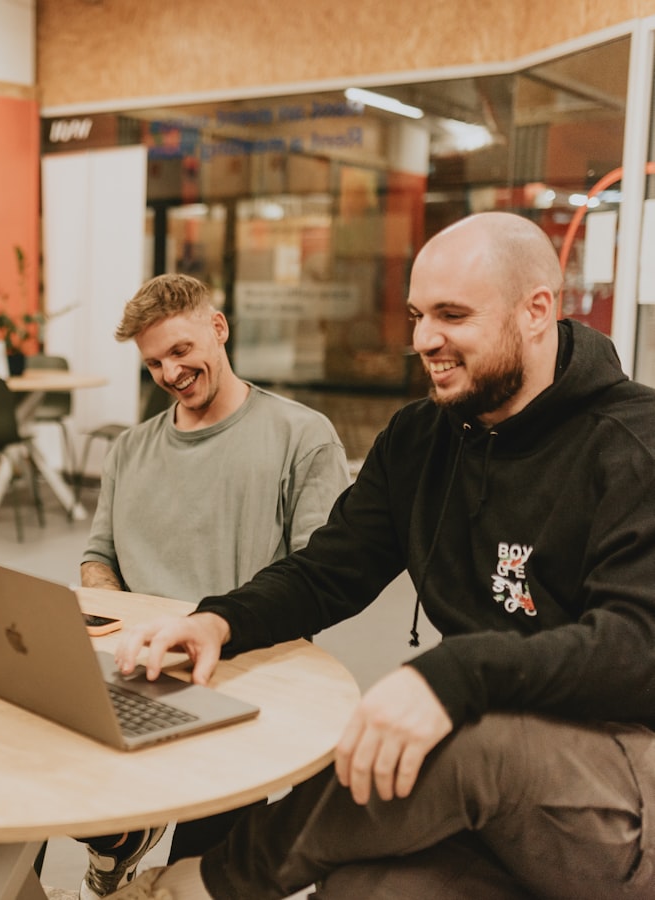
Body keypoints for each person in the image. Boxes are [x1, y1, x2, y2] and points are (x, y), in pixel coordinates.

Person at [103, 211, 655, 900]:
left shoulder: (633, 445)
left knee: (466, 737)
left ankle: (205, 884)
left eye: (452, 315)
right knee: (359, 887)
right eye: (417, 316)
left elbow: (636, 650)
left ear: (536, 310)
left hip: (624, 792)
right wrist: (217, 621)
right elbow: (328, 570)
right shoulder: (420, 438)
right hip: (487, 789)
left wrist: (457, 673)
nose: (426, 340)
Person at [77, 273, 351, 898]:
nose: (170, 373)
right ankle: (120, 838)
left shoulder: (302, 436)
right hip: (135, 659)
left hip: (240, 668)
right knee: (25, 766)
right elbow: (97, 556)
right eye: (153, 364)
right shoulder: (129, 449)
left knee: (198, 864)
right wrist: (121, 622)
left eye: (180, 352)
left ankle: (141, 843)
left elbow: (319, 575)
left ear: (217, 328)